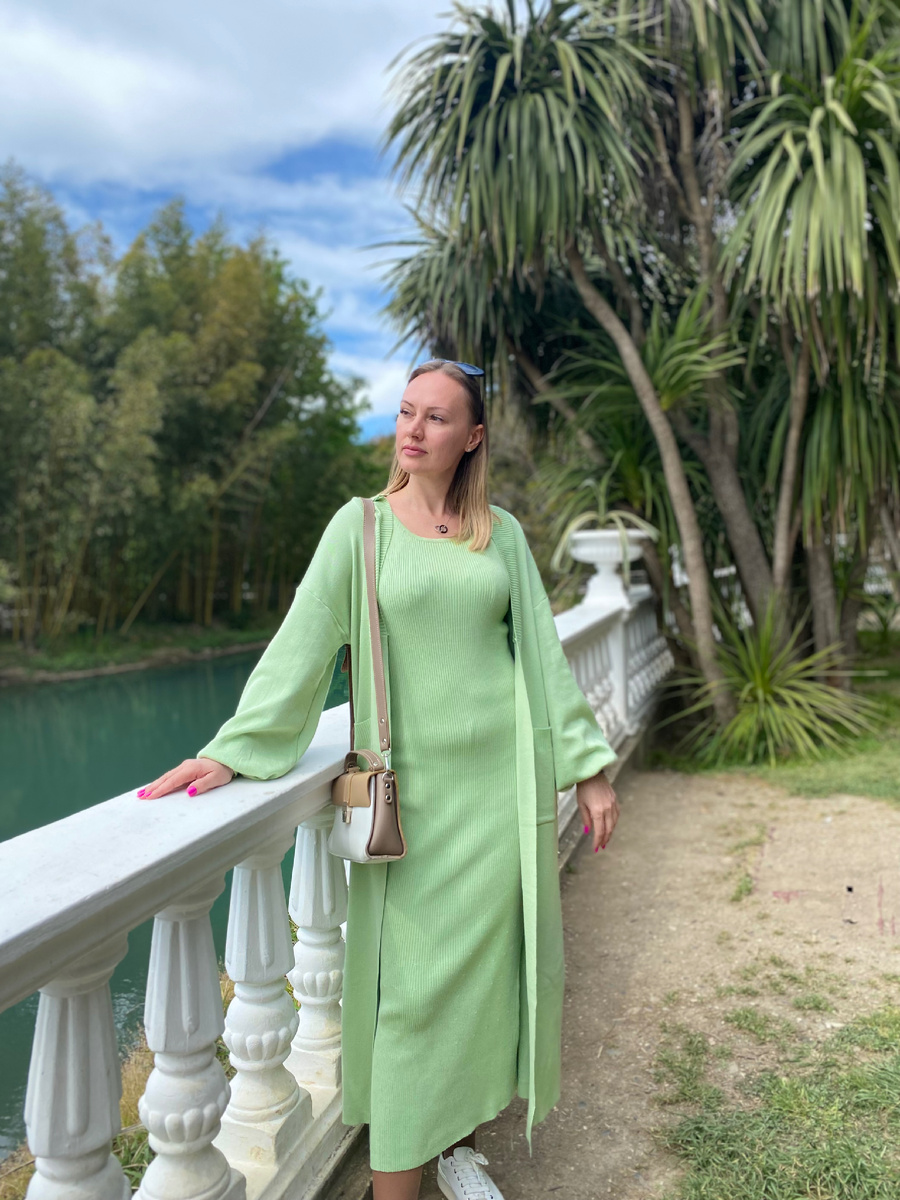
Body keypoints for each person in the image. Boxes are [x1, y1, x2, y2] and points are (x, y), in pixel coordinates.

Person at [137, 359, 620, 1200]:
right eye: (406, 412)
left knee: (482, 988)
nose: (414, 429)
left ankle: (458, 1151)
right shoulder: (360, 528)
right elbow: (301, 645)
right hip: (412, 803)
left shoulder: (500, 534)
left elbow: (541, 655)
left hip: (498, 798)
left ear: (472, 438)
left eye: (437, 417)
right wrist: (233, 748)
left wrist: (589, 770)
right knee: (409, 1005)